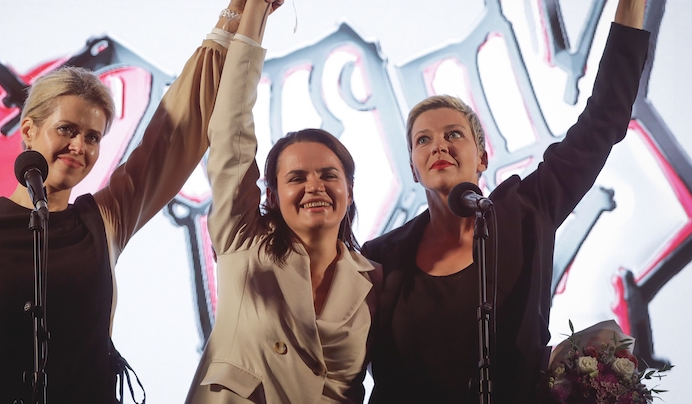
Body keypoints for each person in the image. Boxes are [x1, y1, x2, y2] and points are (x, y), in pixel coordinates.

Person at [0, 1, 249, 401]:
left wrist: (238, 16)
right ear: (28, 129)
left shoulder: (102, 219)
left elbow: (176, 131)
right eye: (67, 129)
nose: (79, 146)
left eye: (93, 136)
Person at [361, 0, 649, 402]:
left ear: (482, 157)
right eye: (423, 139)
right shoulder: (379, 257)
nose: (438, 144)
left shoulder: (527, 211)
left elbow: (604, 119)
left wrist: (632, 7)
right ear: (413, 169)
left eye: (453, 134)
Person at [185, 0, 380, 402]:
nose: (315, 187)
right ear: (271, 195)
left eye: (329, 175)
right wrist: (255, 10)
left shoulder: (374, 279)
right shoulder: (243, 242)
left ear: (350, 189)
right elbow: (230, 129)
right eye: (297, 178)